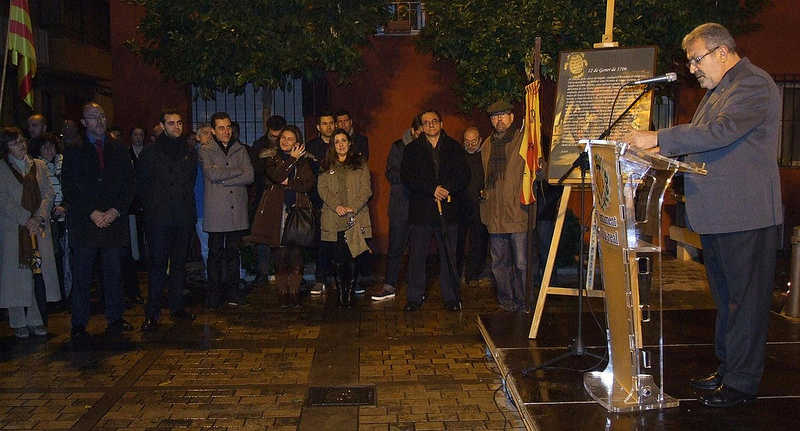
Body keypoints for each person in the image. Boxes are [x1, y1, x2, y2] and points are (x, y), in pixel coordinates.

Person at [628, 23, 782, 408]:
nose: (693, 69)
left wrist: (660, 138)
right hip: (720, 217)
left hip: (746, 217)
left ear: (722, 52)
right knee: (726, 299)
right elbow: (705, 140)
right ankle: (728, 368)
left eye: (697, 59)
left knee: (745, 304)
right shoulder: (720, 90)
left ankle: (741, 383)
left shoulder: (752, 84)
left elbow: (721, 133)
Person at [62, 102, 135, 340]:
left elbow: (128, 184)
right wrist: (91, 212)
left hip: (112, 222)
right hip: (86, 223)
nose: (100, 121)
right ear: (84, 123)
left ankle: (115, 317)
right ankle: (79, 322)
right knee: (82, 275)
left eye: (102, 116)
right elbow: (70, 188)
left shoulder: (119, 149)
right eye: (93, 117)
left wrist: (115, 210)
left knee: (113, 273)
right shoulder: (74, 150)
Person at [400, 110, 468, 312]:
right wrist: (431, 189)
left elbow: (464, 174)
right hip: (422, 211)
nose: (431, 125)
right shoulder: (412, 149)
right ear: (420, 126)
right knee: (417, 256)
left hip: (448, 210)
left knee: (449, 255)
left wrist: (447, 188)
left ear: (442, 123)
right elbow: (407, 177)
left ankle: (451, 298)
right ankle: (414, 297)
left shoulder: (454, 147)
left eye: (434, 121)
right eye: (426, 122)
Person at [137, 110, 197, 331]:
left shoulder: (189, 152)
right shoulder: (150, 152)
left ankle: (177, 306)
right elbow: (141, 184)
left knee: (179, 265)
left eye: (180, 123)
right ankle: (152, 312)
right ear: (162, 125)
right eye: (171, 123)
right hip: (159, 218)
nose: (176, 127)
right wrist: (153, 207)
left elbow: (189, 182)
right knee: (157, 265)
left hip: (182, 216)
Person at [0, 127, 61, 338]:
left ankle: (36, 319)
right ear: (6, 147)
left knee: (37, 274)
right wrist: (25, 218)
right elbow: (3, 200)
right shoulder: (2, 169)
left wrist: (38, 217)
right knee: (16, 275)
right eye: (15, 143)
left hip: (38, 228)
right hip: (14, 230)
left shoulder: (39, 166)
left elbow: (48, 193)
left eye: (22, 141)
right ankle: (17, 320)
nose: (21, 145)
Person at [249, 125, 315, 307]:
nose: (285, 141)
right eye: (283, 138)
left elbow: (307, 184)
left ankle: (294, 294)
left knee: (296, 255)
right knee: (280, 255)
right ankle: (283, 294)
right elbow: (276, 176)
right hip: (276, 212)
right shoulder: (271, 157)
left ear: (297, 143)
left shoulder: (304, 161)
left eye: (290, 139)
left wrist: (290, 182)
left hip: (298, 211)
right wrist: (291, 161)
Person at [480, 101, 531, 312]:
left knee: (521, 263)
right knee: (499, 263)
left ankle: (524, 301)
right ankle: (506, 302)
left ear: (511, 117)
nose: (499, 120)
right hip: (494, 214)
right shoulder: (487, 145)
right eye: (494, 116)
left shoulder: (524, 141)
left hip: (517, 212)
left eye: (503, 115)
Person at [199, 112, 254, 308]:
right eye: (221, 128)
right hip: (217, 210)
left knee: (233, 252)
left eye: (228, 127)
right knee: (215, 253)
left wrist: (225, 176)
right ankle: (214, 293)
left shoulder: (240, 149)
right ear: (213, 130)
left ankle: (233, 291)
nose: (226, 131)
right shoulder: (206, 149)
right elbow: (211, 173)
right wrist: (237, 172)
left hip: (236, 209)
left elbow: (249, 176)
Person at [318, 129, 373, 306]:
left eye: (343, 140)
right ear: (333, 146)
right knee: (338, 258)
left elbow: (366, 190)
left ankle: (349, 292)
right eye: (337, 141)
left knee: (353, 257)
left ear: (349, 143)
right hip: (334, 217)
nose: (341, 144)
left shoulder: (360, 163)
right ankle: (341, 292)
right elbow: (322, 189)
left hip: (355, 216)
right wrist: (337, 206)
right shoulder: (326, 165)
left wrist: (353, 207)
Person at [372, 115, 422, 301]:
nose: (422, 136)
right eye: (420, 133)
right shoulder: (398, 147)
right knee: (395, 249)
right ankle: (390, 285)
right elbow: (391, 173)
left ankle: (416, 287)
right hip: (400, 207)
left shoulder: (429, 148)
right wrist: (412, 175)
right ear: (413, 131)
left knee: (418, 250)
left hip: (420, 208)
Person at [248, 115, 286, 285]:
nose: (277, 140)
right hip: (263, 194)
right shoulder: (259, 145)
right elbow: (255, 170)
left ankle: (282, 272)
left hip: (283, 194)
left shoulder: (288, 143)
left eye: (279, 136)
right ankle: (262, 272)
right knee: (262, 236)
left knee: (283, 236)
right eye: (273, 136)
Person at [36, 133, 71, 302]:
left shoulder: (66, 163)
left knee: (68, 258)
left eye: (52, 146)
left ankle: (68, 293)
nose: (49, 150)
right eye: (45, 147)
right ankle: (55, 297)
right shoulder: (35, 167)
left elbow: (73, 189)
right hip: (48, 220)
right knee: (53, 258)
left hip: (67, 218)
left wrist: (65, 206)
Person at [306, 111, 336, 295]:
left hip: (339, 200)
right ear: (318, 127)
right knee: (321, 240)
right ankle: (320, 278)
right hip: (319, 200)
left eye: (331, 123)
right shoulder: (311, 146)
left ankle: (337, 276)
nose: (329, 126)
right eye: (324, 123)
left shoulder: (340, 143)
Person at [457, 126, 489, 286]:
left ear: (480, 140)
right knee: (458, 242)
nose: (470, 145)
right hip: (460, 207)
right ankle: (456, 274)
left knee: (478, 241)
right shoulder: (457, 158)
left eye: (473, 141)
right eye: (467, 142)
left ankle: (473, 274)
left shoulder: (485, 157)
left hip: (480, 207)